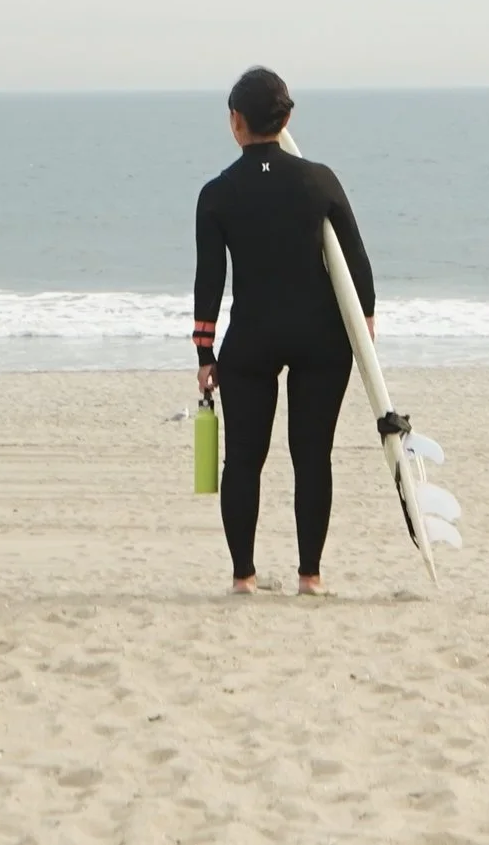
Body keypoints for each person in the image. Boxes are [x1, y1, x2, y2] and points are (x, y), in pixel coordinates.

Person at [193, 67, 375, 596]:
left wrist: (205, 351)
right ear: (287, 118)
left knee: (244, 459)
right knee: (312, 456)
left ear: (235, 122)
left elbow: (210, 280)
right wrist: (365, 320)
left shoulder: (217, 194)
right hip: (321, 337)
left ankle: (243, 578)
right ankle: (310, 576)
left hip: (251, 338)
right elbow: (356, 261)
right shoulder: (319, 179)